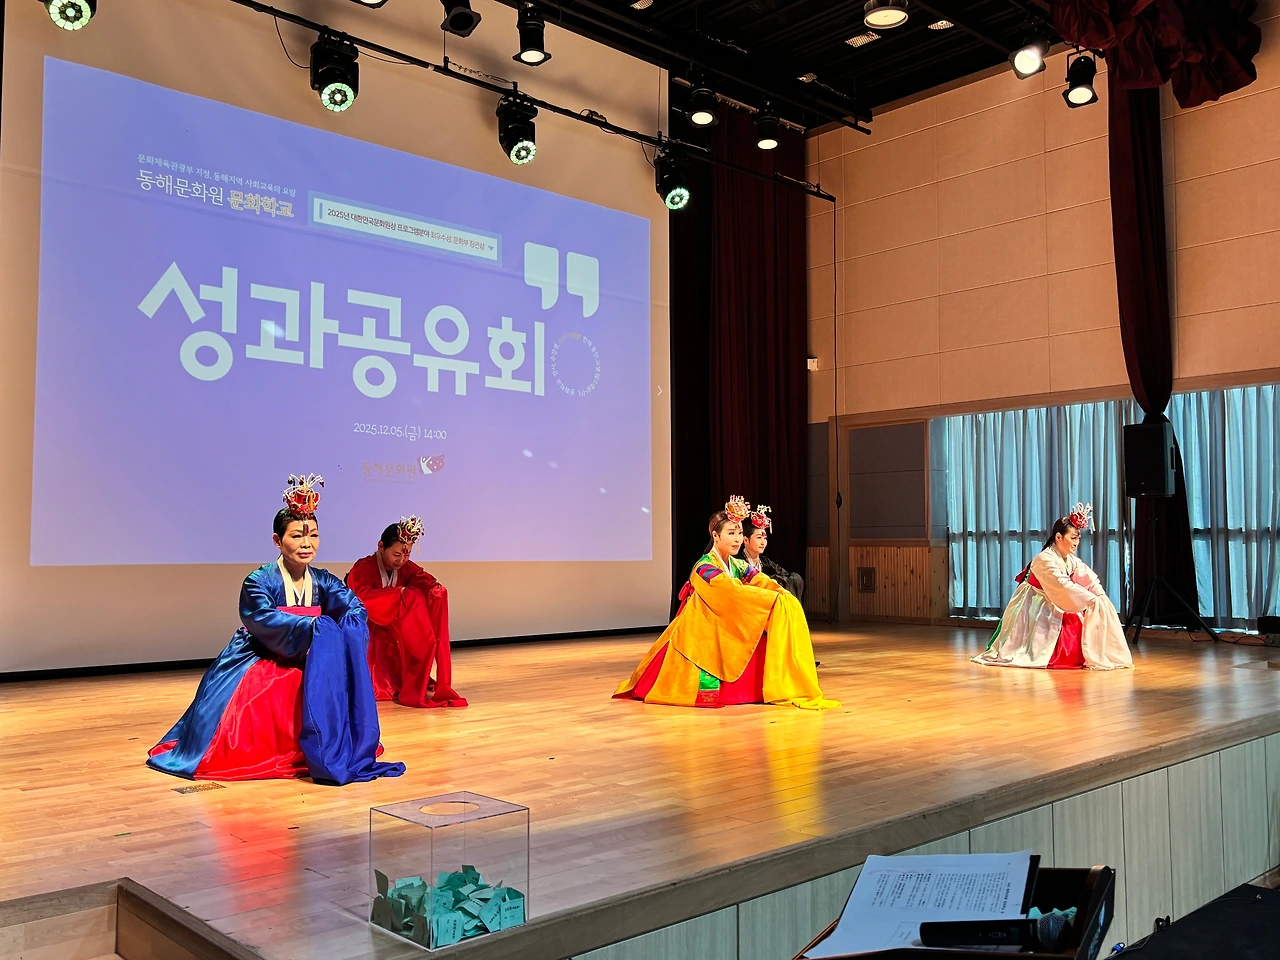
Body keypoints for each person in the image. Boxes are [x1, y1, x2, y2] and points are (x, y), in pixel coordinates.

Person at [148, 475, 406, 784]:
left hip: (313, 652)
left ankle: (328, 748)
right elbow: (262, 618)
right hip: (263, 651)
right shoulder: (259, 580)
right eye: (296, 536)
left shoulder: (323, 580)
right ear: (277, 540)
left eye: (313, 536)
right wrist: (316, 629)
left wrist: (345, 628)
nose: (307, 544)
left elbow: (353, 606)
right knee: (264, 692)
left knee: (327, 675)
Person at [615, 497, 839, 709]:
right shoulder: (704, 567)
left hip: (724, 620)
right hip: (701, 627)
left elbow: (759, 579)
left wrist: (780, 593)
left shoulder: (737, 564)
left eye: (739, 533)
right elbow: (729, 592)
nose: (737, 539)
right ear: (715, 535)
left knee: (778, 612)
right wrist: (769, 599)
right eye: (731, 533)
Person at [973, 503, 1134, 670]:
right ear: (1058, 537)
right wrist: (1090, 599)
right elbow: (1062, 585)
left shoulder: (1070, 560)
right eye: (1073, 538)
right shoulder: (1044, 559)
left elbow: (1087, 577)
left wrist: (1099, 595)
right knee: (1052, 639)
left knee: (1077, 627)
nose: (1077, 543)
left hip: (1056, 598)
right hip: (1036, 603)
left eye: (1078, 538)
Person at [346, 517, 466, 708]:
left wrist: (435, 590)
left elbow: (423, 580)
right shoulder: (363, 567)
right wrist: (398, 595)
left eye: (407, 554)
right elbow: (360, 598)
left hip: (393, 629)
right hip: (367, 628)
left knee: (421, 628)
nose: (401, 560)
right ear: (381, 546)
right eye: (396, 554)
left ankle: (412, 683)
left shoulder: (407, 568)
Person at [740, 504, 805, 602]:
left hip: (766, 601)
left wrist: (774, 580)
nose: (763, 542)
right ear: (745, 540)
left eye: (765, 538)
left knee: (795, 578)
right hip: (749, 602)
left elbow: (786, 575)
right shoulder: (739, 561)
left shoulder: (764, 561)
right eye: (759, 538)